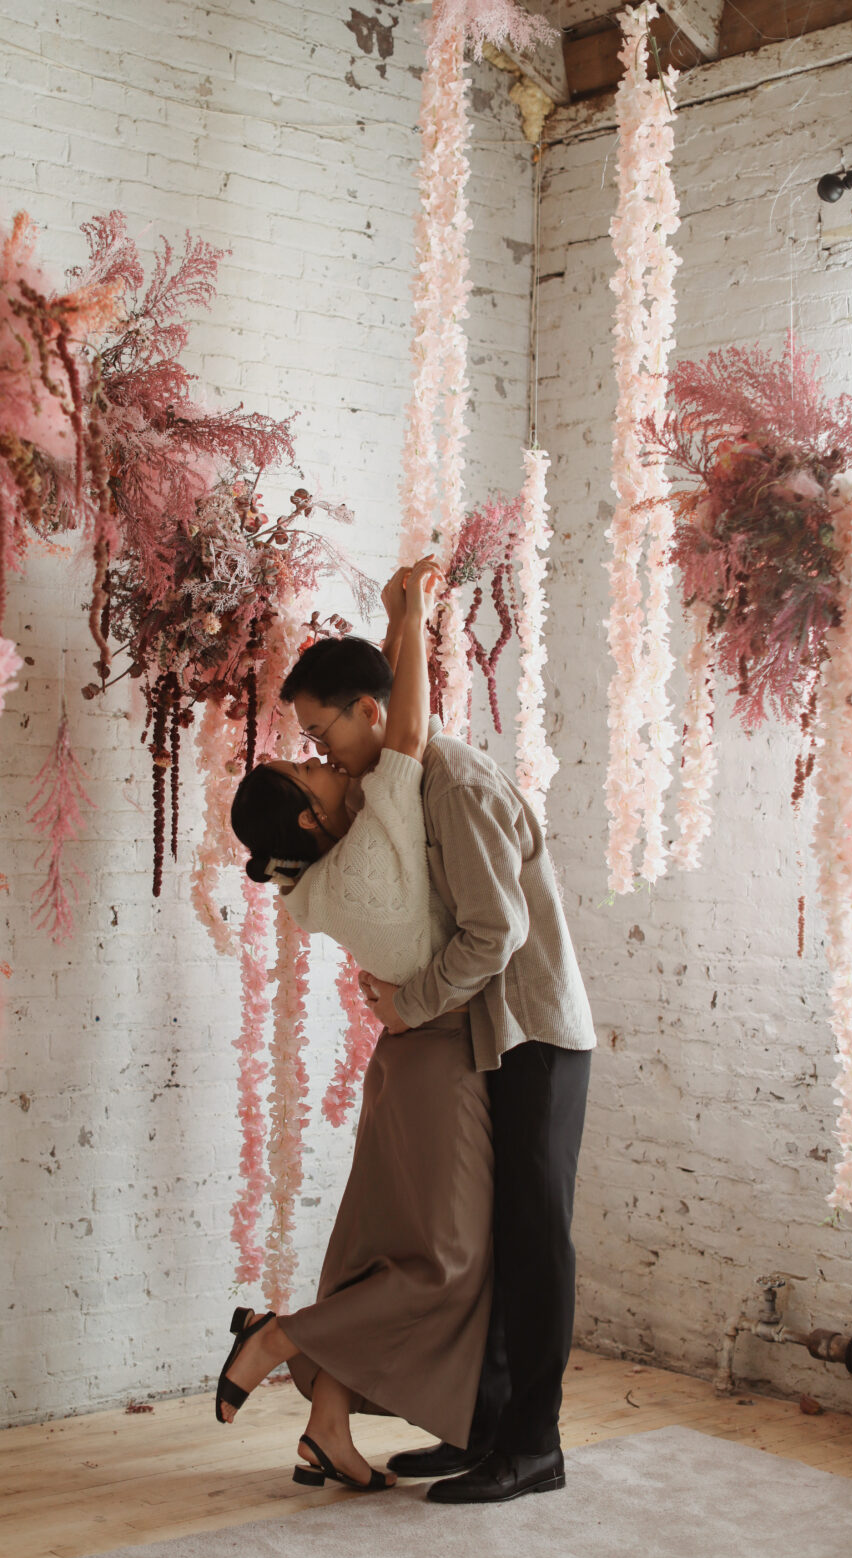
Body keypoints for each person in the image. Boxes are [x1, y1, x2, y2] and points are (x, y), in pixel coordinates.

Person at [279, 573, 596, 1506]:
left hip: (532, 1034)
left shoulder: (453, 785)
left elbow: (496, 932)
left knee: (537, 1245)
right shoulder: (404, 783)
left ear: (366, 713)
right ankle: (487, 1429)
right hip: (486, 1036)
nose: (318, 750)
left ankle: (534, 1445)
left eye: (321, 732)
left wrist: (413, 1003)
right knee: (493, 1242)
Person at [221, 556, 493, 1494]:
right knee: (445, 1261)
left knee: (378, 1249)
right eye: (307, 763)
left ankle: (326, 1426)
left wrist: (397, 627)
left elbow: (374, 721)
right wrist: (408, 616)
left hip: (402, 1058)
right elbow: (395, 719)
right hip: (438, 1058)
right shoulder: (376, 833)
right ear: (311, 811)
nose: (322, 757)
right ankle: (277, 1337)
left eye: (311, 741)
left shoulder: (310, 886)